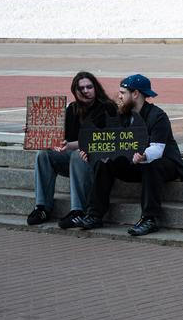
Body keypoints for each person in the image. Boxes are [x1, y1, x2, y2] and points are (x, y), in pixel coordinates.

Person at [80, 75, 183, 236]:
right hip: (133, 164)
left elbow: (157, 150)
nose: (119, 96)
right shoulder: (121, 115)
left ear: (136, 94)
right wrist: (92, 153)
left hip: (164, 165)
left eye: (123, 92)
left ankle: (149, 219)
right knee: (104, 163)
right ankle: (94, 214)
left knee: (151, 164)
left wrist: (143, 156)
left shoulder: (157, 116)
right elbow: (109, 142)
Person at [26, 72, 116, 229]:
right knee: (43, 154)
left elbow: (100, 140)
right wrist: (35, 131)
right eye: (81, 88)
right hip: (74, 160)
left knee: (77, 155)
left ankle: (78, 211)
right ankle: (42, 207)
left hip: (98, 161)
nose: (86, 91)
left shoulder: (107, 108)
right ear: (75, 91)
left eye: (89, 87)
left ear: (96, 87)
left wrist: (70, 145)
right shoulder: (72, 109)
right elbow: (60, 137)